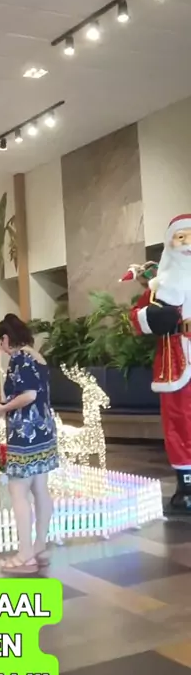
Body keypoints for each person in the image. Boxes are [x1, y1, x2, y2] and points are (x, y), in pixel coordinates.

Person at [130, 215, 191, 512]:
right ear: (170, 242)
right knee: (178, 422)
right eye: (181, 237)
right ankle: (187, 485)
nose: (188, 244)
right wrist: (149, 318)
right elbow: (136, 317)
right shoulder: (159, 287)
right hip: (175, 364)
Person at [0, 313, 58, 573]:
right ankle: (40, 547)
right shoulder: (37, 357)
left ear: (7, 338)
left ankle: (25, 555)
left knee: (18, 491)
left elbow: (28, 395)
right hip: (44, 430)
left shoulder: (19, 359)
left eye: (0, 341)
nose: (0, 347)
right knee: (41, 489)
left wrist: (2, 408)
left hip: (24, 434)